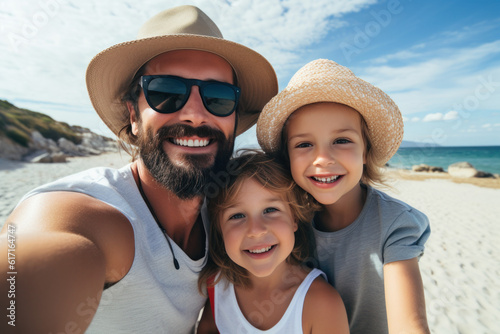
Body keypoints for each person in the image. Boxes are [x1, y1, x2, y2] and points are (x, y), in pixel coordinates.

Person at [0, 5, 277, 333]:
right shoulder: (92, 215)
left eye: (218, 97)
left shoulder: (228, 211)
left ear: (233, 118)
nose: (195, 114)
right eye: (166, 92)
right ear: (133, 115)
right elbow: (32, 259)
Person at [256, 59, 431, 334]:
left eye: (341, 140)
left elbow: (410, 325)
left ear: (365, 151)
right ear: (286, 157)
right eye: (304, 144)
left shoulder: (395, 225)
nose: (323, 159)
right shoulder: (286, 217)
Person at [195, 150, 349, 334]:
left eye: (270, 210)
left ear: (294, 218)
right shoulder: (218, 288)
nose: (256, 230)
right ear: (219, 229)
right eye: (237, 216)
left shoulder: (320, 303)